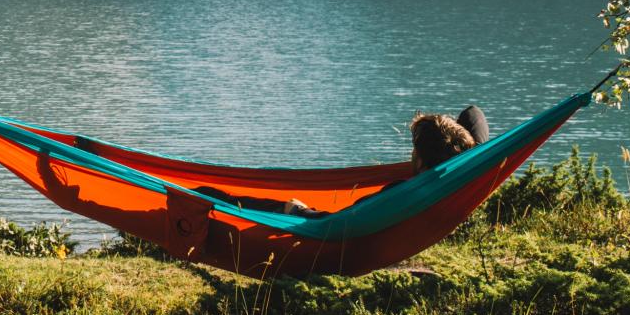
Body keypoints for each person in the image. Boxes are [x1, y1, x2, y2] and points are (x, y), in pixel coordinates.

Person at [194, 104, 489, 219]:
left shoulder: (401, 192)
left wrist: (300, 210)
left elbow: (340, 226)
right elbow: (473, 114)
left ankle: (196, 196)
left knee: (217, 197)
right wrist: (470, 153)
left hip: (313, 221)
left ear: (422, 159)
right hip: (452, 165)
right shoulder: (458, 176)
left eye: (414, 148)